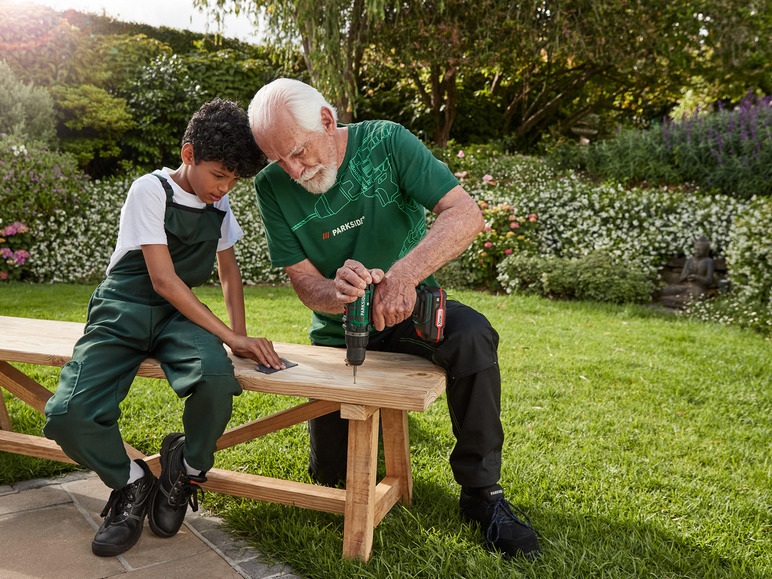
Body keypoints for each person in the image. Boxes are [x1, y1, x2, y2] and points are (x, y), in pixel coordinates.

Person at [247, 78, 541, 561]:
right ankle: (344, 448)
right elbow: (303, 283)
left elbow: (465, 215)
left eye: (298, 152)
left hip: (406, 310)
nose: (293, 170)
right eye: (278, 159)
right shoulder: (271, 187)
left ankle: (482, 494)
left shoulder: (387, 142)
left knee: (472, 335)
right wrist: (334, 291)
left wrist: (404, 276)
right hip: (339, 333)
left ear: (326, 120)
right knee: (332, 480)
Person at [43, 98, 285, 558]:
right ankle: (132, 484)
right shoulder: (150, 190)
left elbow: (229, 274)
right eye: (219, 175)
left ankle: (185, 469)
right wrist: (230, 336)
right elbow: (162, 278)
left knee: (217, 380)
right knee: (66, 417)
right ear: (189, 153)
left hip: (179, 316)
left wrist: (238, 339)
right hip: (124, 307)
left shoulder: (222, 202)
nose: (225, 187)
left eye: (234, 179)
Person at [660, 236, 715, 308]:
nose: (696, 251)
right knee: (666, 290)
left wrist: (696, 277)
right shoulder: (690, 260)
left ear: (705, 250)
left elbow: (709, 280)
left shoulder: (708, 261)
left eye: (700, 250)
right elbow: (681, 279)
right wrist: (687, 274)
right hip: (685, 286)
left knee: (698, 294)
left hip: (698, 289)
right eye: (695, 249)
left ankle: (675, 299)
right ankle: (682, 300)